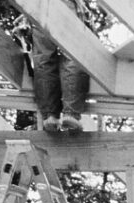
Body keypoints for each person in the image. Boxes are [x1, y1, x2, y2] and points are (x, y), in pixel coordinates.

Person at [28, 0, 91, 132]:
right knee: (73, 54)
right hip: (65, 3)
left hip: (37, 5)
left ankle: (50, 116)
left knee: (44, 59)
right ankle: (71, 114)